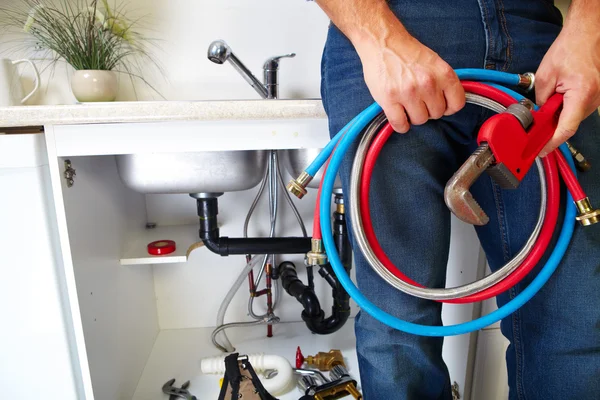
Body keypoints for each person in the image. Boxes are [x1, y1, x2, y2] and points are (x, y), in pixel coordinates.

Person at [312, 0, 600, 399]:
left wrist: (589, 29)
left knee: (574, 322)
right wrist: (379, 38)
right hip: (393, 36)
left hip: (541, 43)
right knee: (398, 331)